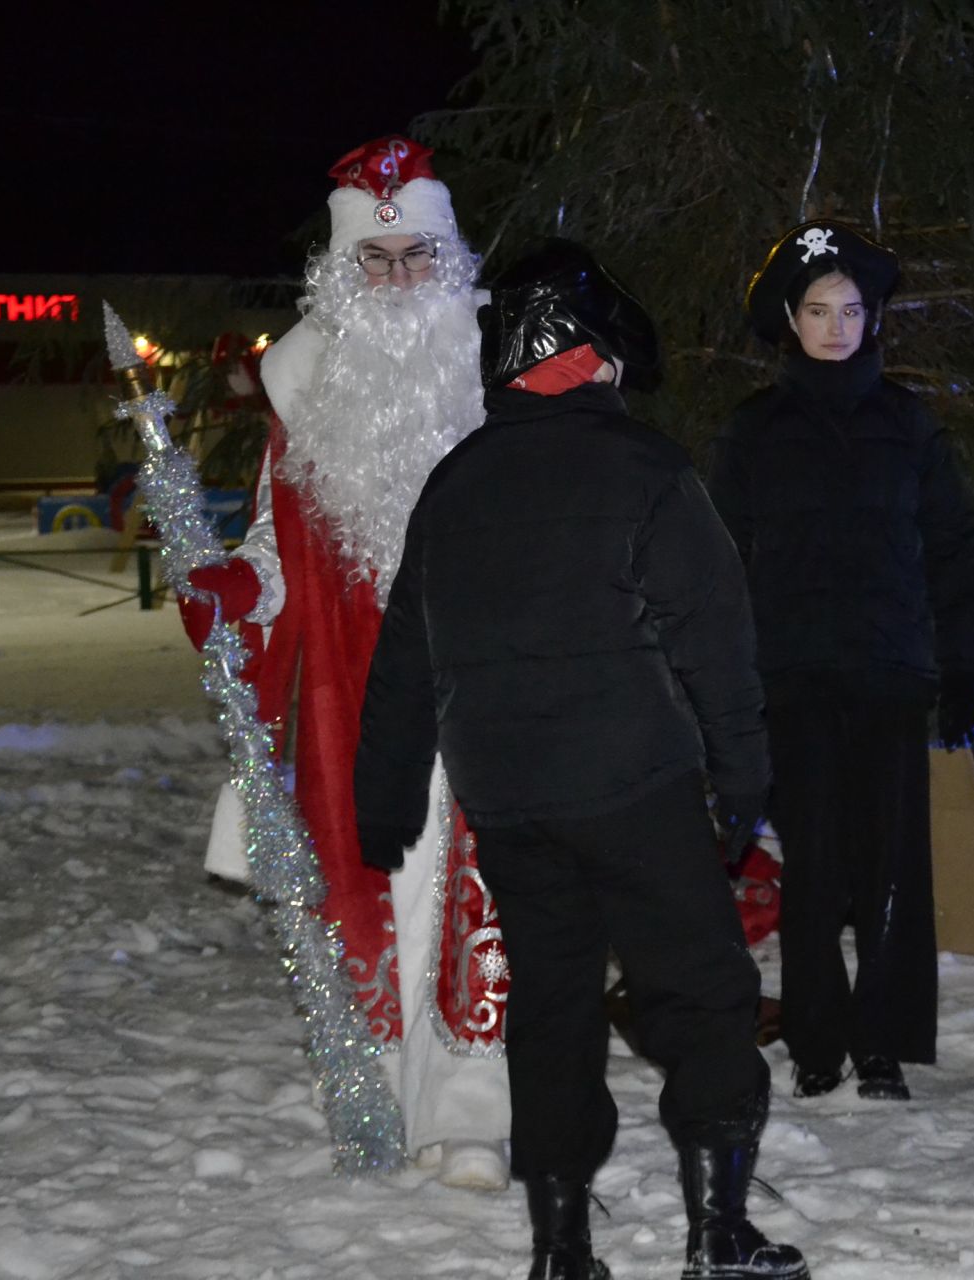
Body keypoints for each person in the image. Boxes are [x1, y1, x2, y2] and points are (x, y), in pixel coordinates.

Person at [353, 239, 806, 1280]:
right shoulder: (645, 467)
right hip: (634, 783)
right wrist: (743, 778)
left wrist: (384, 796)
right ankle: (718, 1232)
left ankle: (562, 1251)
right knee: (699, 994)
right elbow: (717, 641)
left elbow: (402, 661)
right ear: (595, 354)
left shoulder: (455, 481)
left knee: (551, 1011)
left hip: (508, 796)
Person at [174, 136, 510, 1189]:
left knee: (477, 893)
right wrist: (233, 589)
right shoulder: (306, 389)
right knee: (379, 890)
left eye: (418, 256)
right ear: (342, 271)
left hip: (486, 678)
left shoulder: (496, 369)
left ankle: (469, 1118)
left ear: (448, 258)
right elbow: (274, 549)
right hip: (354, 693)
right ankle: (380, 1097)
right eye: (379, 259)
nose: (402, 279)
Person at [708, 220, 974, 1103]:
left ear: (873, 321)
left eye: (853, 310)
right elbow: (717, 562)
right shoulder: (754, 431)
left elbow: (955, 549)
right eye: (819, 310)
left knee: (891, 866)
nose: (837, 326)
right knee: (815, 869)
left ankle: (882, 1040)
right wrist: (723, 687)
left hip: (889, 675)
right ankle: (817, 1042)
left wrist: (963, 667)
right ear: (790, 322)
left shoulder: (908, 424)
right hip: (791, 679)